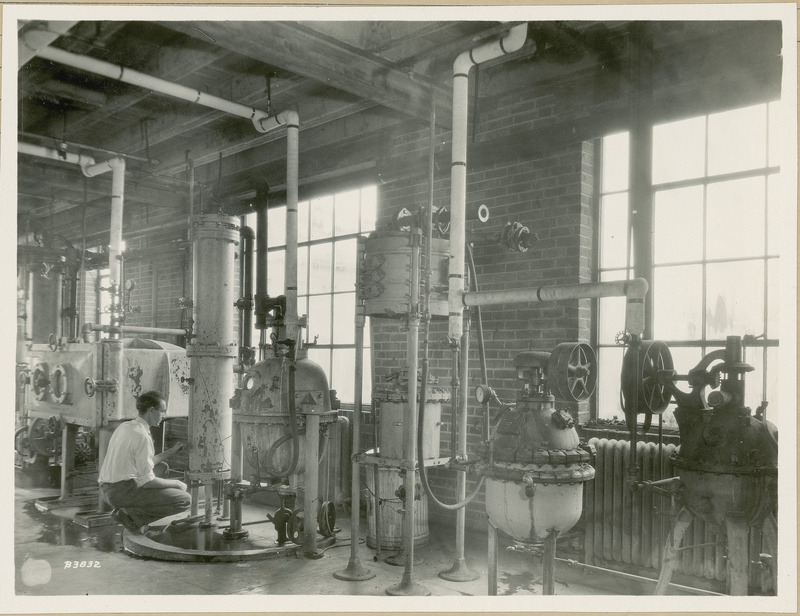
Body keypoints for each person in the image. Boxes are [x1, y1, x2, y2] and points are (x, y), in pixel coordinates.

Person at [98, 390, 191, 533]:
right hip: (121, 492)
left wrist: (171, 451)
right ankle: (131, 516)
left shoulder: (126, 426)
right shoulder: (142, 437)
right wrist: (177, 483)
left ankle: (132, 510)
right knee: (184, 499)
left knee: (162, 468)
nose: (163, 416)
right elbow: (147, 481)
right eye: (162, 411)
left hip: (107, 488)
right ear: (151, 411)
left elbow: (144, 464)